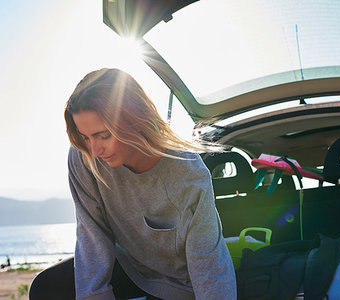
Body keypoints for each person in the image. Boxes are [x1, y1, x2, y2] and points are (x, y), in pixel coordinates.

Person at [30, 68, 236, 300]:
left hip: (178, 286)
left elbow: (209, 265)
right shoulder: (84, 156)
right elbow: (91, 236)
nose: (95, 150)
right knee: (46, 288)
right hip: (129, 268)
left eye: (103, 135)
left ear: (135, 120)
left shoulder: (189, 174)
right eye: (86, 137)